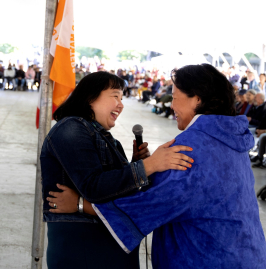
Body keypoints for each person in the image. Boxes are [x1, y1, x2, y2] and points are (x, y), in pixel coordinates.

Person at [46, 64, 266, 268]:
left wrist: (81, 205)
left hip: (206, 257)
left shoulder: (194, 147)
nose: (171, 105)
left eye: (174, 97)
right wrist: (144, 166)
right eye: (115, 96)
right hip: (240, 251)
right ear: (89, 97)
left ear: (196, 99)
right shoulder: (229, 141)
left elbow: (153, 202)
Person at [39, 71, 194, 268]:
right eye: (115, 96)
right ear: (90, 97)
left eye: (122, 97)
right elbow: (94, 187)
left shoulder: (105, 137)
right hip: (84, 247)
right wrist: (148, 165)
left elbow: (116, 190)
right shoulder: (71, 128)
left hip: (107, 247)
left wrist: (136, 166)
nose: (121, 104)